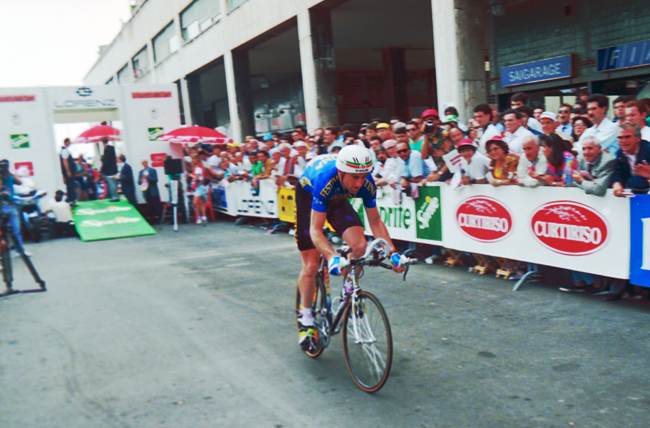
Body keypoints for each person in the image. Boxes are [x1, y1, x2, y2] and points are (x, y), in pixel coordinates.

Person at [294, 145, 404, 353]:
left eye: (363, 177)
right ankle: (306, 318)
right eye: (354, 177)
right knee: (311, 264)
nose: (359, 183)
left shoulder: (365, 182)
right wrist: (332, 256)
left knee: (360, 245)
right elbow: (316, 230)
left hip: (337, 200)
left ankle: (348, 291)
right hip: (310, 199)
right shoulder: (325, 179)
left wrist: (393, 253)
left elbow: (376, 221)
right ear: (341, 172)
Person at [612, 122, 650, 196]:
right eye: (620, 138)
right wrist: (617, 184)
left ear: (638, 138)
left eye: (627, 137)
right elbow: (618, 174)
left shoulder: (648, 149)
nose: (624, 141)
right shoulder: (620, 153)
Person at [0, 159, 29, 256]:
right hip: (2, 207)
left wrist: (10, 173)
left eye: (6, 166)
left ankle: (20, 251)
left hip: (12, 206)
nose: (4, 168)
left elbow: (19, 182)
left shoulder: (10, 176)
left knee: (16, 230)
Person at [100, 137, 119, 202]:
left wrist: (102, 170)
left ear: (103, 142)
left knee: (111, 184)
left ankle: (115, 197)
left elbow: (106, 160)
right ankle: (116, 195)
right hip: (114, 168)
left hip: (109, 170)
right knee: (114, 183)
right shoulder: (112, 148)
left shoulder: (106, 149)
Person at [59, 138, 77, 204]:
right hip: (69, 172)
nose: (70, 143)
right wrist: (68, 171)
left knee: (70, 185)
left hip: (69, 171)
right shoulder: (64, 151)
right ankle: (71, 199)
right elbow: (65, 161)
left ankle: (72, 199)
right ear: (66, 142)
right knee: (70, 185)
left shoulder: (65, 150)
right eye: (69, 142)